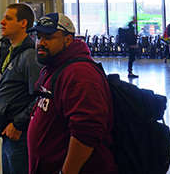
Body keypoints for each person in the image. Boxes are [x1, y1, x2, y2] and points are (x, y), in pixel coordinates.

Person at [27, 12, 118, 174]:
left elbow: (87, 130)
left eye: (48, 37)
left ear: (68, 40)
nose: (40, 43)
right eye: (38, 37)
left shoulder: (79, 73)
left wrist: (67, 172)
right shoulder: (55, 66)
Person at [0, 3, 41, 174]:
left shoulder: (29, 56)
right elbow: (10, 88)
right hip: (9, 134)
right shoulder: (15, 52)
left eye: (8, 18)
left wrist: (19, 124)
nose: (2, 22)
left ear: (23, 23)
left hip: (20, 136)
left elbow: (40, 97)